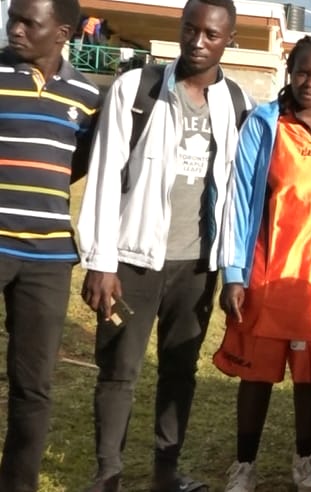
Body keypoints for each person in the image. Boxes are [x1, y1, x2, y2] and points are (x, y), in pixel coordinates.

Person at [77, 1, 247, 490]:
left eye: (211, 34)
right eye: (190, 29)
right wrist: (101, 261)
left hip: (196, 265)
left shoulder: (236, 103)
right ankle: (108, 474)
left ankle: (166, 473)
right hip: (132, 261)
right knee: (118, 370)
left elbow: (235, 190)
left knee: (179, 371)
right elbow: (104, 175)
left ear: (228, 40)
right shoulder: (136, 88)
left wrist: (229, 268)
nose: (198, 42)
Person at [213, 36, 311, 492]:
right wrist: (233, 274)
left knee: (310, 380)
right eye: (302, 72)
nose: (310, 82)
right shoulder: (264, 123)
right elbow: (239, 199)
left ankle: (304, 459)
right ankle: (244, 464)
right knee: (256, 377)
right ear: (289, 71)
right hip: (267, 274)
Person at [0, 1, 98, 490]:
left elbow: (78, 160)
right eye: (12, 18)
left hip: (49, 259)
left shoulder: (87, 95)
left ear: (62, 32)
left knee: (33, 385)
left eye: (28, 22)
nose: (14, 29)